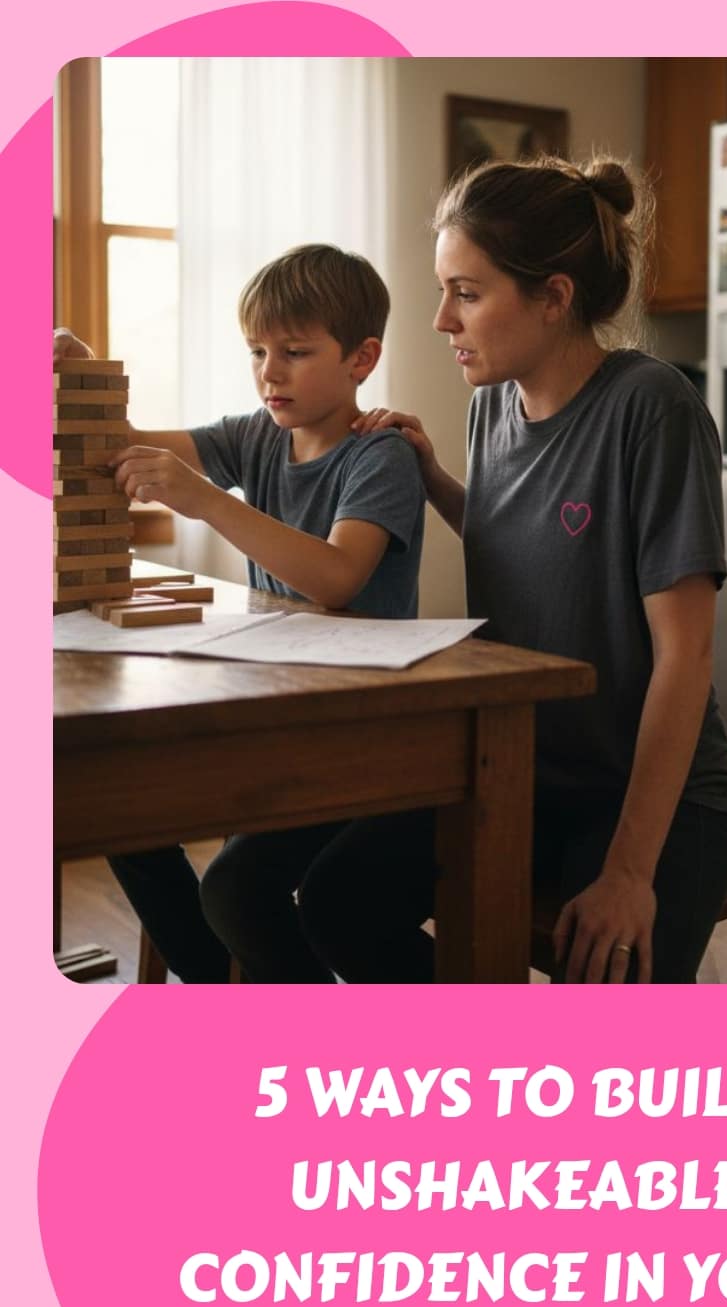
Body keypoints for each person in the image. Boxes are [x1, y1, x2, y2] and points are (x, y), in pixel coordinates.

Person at [288, 155, 727, 984]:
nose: (440, 321)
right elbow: (531, 543)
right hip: (523, 769)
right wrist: (435, 482)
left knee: (602, 999)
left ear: (555, 297)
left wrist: (630, 874)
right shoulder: (490, 406)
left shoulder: (653, 407)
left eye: (466, 293)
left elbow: (687, 655)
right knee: (336, 903)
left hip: (651, 795)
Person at [54, 243, 425, 982]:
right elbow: (120, 444)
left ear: (362, 358)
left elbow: (337, 578)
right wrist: (79, 371)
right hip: (278, 719)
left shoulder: (378, 455)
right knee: (128, 821)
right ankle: (236, 1004)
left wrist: (202, 498)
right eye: (257, 350)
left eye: (294, 351)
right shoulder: (258, 435)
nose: (270, 372)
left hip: (365, 736)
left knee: (237, 889)